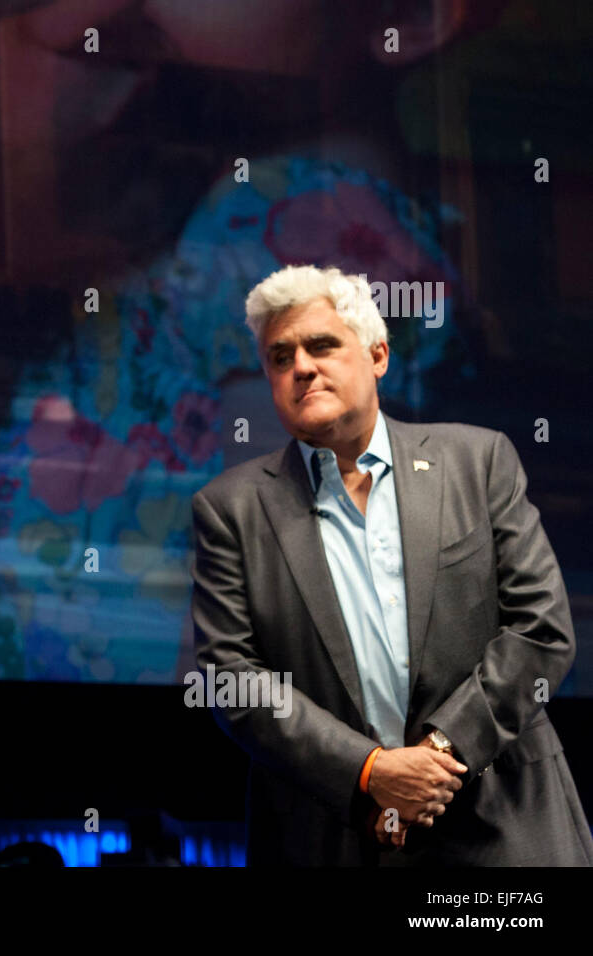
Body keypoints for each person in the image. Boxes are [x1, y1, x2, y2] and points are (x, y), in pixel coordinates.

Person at [190, 264, 592, 866]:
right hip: (333, 832)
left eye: (321, 344)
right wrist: (372, 771)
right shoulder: (230, 510)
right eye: (280, 356)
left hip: (502, 823)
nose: (301, 366)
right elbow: (233, 678)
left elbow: (541, 629)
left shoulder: (476, 462)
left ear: (377, 355)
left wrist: (437, 756)